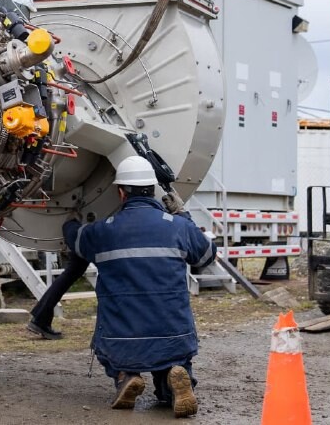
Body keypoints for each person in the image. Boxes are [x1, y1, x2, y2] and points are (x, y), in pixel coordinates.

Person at [62, 155, 216, 418]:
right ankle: (174, 380)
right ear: (153, 189)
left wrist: (70, 220)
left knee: (114, 348)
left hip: (122, 336)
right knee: (173, 357)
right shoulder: (177, 227)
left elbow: (75, 240)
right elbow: (206, 255)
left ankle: (126, 376)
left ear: (121, 193)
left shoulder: (103, 231)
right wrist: (184, 215)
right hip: (172, 334)